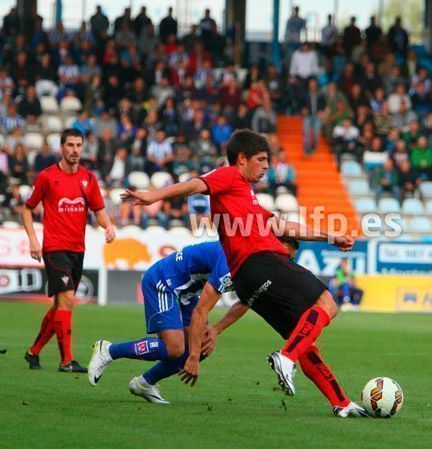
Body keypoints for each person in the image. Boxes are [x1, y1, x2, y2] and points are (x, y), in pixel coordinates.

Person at [122, 130, 366, 417]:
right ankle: (285, 358)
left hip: (245, 283)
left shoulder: (244, 199)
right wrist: (154, 196)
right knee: (327, 304)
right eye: (261, 160)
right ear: (242, 159)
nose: (266, 166)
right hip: (261, 263)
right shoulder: (229, 176)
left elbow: (283, 227)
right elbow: (194, 185)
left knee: (303, 340)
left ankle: (340, 402)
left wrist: (329, 237)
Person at [87, 241, 231, 404]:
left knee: (201, 345)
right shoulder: (232, 258)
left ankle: (145, 383)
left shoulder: (252, 261)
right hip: (164, 282)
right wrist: (207, 336)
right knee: (175, 348)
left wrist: (215, 330)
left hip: (185, 294)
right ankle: (109, 350)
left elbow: (248, 300)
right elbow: (202, 308)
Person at [22, 129, 116, 371]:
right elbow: (27, 209)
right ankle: (66, 361)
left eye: (78, 145)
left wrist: (108, 226)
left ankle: (33, 352)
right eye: (70, 145)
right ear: (61, 148)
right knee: (67, 301)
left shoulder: (88, 179)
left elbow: (99, 210)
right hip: (54, 249)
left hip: (77, 250)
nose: (75, 150)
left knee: (59, 307)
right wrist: (33, 240)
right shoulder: (47, 177)